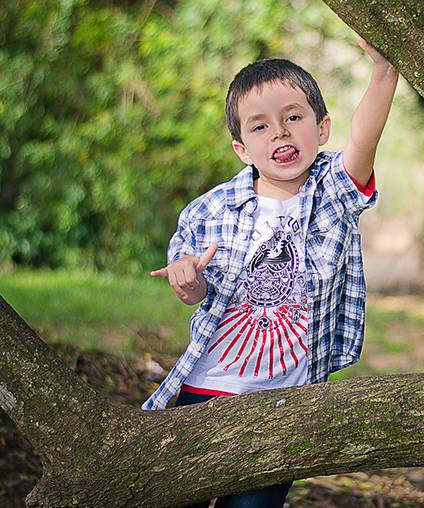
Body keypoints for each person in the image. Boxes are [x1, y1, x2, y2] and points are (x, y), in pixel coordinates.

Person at [144, 34, 398, 508]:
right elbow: (191, 290)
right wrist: (189, 279)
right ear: (241, 148)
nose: (280, 133)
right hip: (205, 389)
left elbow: (365, 135)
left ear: (321, 129)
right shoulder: (210, 210)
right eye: (260, 127)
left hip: (282, 407)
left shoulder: (333, 195)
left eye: (293, 117)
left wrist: (385, 70)